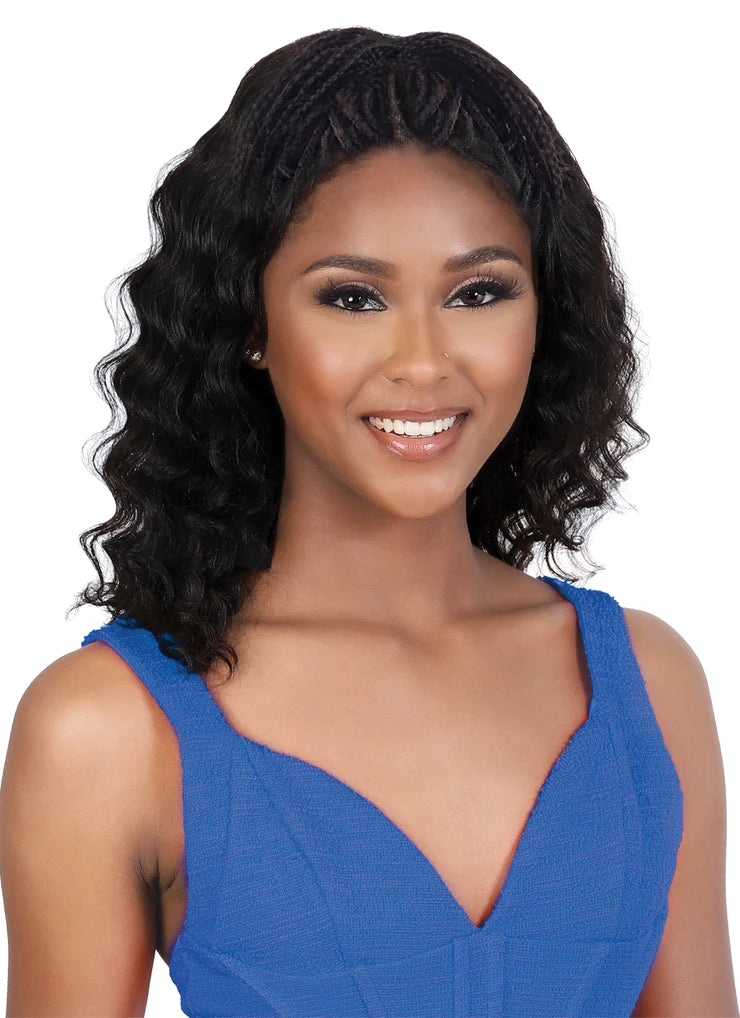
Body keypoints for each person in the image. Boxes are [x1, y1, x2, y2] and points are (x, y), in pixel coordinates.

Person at [0, 25, 736, 1018]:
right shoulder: (106, 731)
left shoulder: (647, 684)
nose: (423, 362)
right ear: (250, 322)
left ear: (545, 311)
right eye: (352, 298)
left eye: (478, 292)